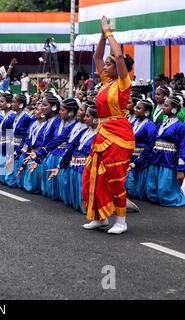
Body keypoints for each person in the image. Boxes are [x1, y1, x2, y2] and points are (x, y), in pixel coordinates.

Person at [81, 16, 135, 235]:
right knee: (94, 174)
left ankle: (121, 220)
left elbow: (119, 55)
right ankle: (100, 217)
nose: (105, 65)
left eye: (110, 63)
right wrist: (102, 35)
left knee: (115, 177)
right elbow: (96, 55)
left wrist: (110, 32)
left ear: (119, 68)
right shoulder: (106, 82)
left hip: (119, 135)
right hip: (103, 133)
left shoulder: (123, 83)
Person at [47, 105, 98, 213]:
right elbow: (70, 149)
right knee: (73, 202)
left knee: (85, 202)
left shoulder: (100, 135)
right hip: (74, 167)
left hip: (86, 170)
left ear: (96, 119)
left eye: (87, 116)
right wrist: (60, 166)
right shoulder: (82, 132)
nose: (84, 118)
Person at [140, 95, 185, 206]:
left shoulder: (180, 126)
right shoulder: (161, 125)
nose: (163, 108)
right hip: (155, 158)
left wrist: (180, 169)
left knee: (164, 193)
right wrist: (142, 157)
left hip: (168, 160)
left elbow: (182, 147)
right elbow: (152, 143)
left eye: (166, 106)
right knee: (152, 190)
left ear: (174, 109)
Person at [126, 99, 157, 200]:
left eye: (139, 108)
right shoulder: (134, 122)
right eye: (136, 107)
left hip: (141, 157)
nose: (135, 110)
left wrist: (141, 158)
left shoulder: (150, 125)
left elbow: (151, 143)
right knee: (129, 185)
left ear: (146, 112)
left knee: (135, 188)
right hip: (131, 155)